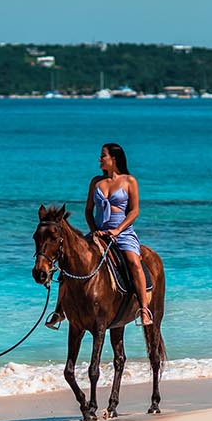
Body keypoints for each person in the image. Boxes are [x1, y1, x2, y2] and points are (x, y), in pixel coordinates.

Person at [47, 141, 154, 329]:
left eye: (103, 155)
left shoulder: (130, 181)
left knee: (133, 262)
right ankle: (60, 310)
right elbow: (88, 210)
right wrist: (94, 229)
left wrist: (117, 230)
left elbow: (134, 212)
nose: (99, 159)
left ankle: (143, 309)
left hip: (122, 232)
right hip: (98, 231)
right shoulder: (96, 182)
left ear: (114, 159)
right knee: (70, 261)